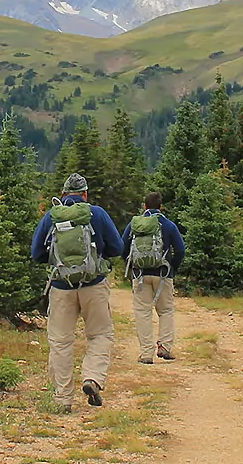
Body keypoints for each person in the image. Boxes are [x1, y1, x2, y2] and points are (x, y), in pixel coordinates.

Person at [31, 172, 124, 412]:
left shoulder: (52, 216)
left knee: (61, 342)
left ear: (63, 194)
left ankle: (63, 399)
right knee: (100, 335)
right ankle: (92, 378)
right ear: (85, 194)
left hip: (61, 288)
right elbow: (117, 247)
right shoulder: (98, 214)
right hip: (94, 286)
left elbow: (36, 253)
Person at [121, 191, 186, 364]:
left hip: (140, 275)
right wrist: (172, 268)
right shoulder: (168, 225)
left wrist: (133, 265)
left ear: (145, 206)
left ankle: (146, 354)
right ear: (161, 207)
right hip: (163, 274)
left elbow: (122, 248)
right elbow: (180, 250)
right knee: (165, 311)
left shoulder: (135, 224)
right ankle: (164, 347)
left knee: (143, 313)